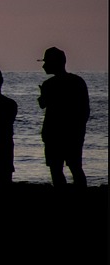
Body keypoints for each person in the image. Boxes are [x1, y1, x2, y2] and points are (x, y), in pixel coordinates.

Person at [38, 47, 90, 188]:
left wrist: (43, 95)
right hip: (73, 135)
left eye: (46, 62)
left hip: (54, 135)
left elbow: (43, 104)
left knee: (56, 170)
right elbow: (85, 111)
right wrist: (78, 130)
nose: (43, 66)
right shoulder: (78, 82)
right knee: (76, 168)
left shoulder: (49, 84)